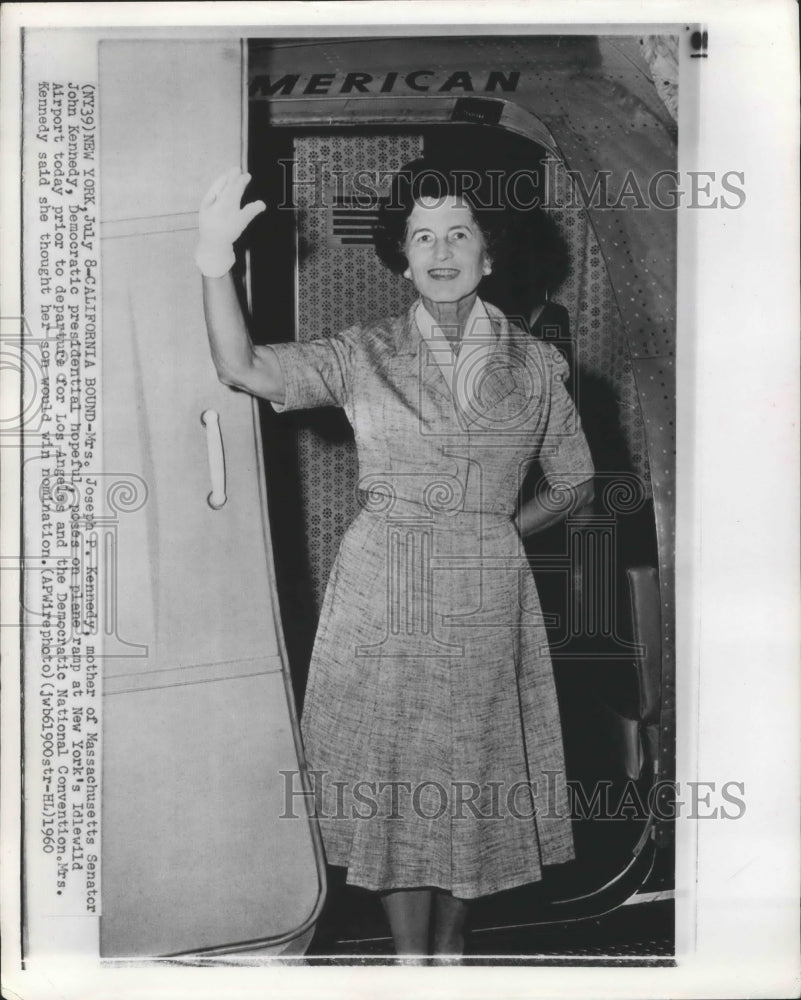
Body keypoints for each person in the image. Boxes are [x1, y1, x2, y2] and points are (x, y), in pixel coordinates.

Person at [195, 160, 594, 962]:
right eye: (421, 236)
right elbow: (241, 368)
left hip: (486, 588)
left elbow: (578, 481)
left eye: (458, 233)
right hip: (382, 586)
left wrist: (498, 531)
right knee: (394, 777)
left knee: (469, 780)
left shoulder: (537, 366)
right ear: (402, 258)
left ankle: (448, 957)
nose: (439, 250)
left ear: (489, 255)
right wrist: (213, 263)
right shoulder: (360, 352)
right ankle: (410, 962)